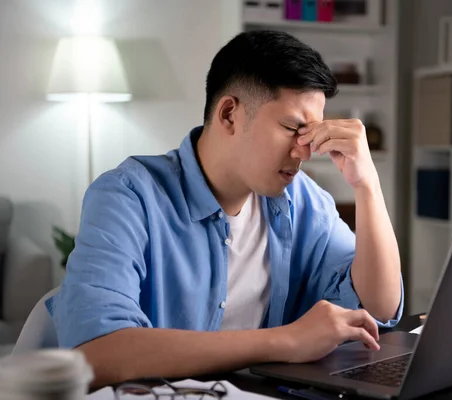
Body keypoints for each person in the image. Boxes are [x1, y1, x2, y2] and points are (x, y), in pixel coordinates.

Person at [48, 30, 403, 389]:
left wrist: (367, 185)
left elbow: (378, 308)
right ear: (229, 114)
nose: (304, 152)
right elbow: (98, 351)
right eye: (292, 128)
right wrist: (286, 341)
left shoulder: (304, 200)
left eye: (310, 134)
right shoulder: (128, 196)